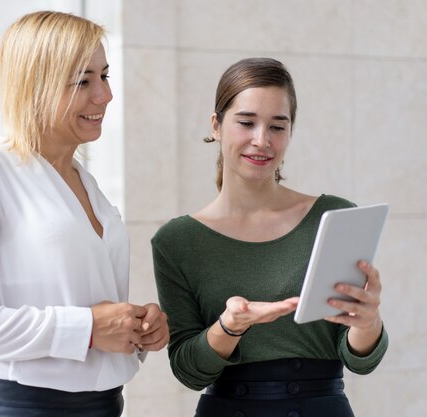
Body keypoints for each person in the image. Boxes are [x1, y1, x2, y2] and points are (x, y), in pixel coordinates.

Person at [0, 11, 168, 417]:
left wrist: (134, 328)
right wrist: (84, 329)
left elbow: (83, 303)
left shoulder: (87, 184)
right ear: (35, 85)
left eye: (105, 76)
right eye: (83, 81)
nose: (104, 95)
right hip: (20, 408)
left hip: (104, 406)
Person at [151, 57, 388, 417]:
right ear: (216, 125)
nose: (261, 141)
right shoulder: (177, 241)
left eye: (278, 127)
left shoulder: (334, 216)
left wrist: (368, 323)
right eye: (246, 122)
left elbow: (360, 360)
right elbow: (188, 370)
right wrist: (230, 326)